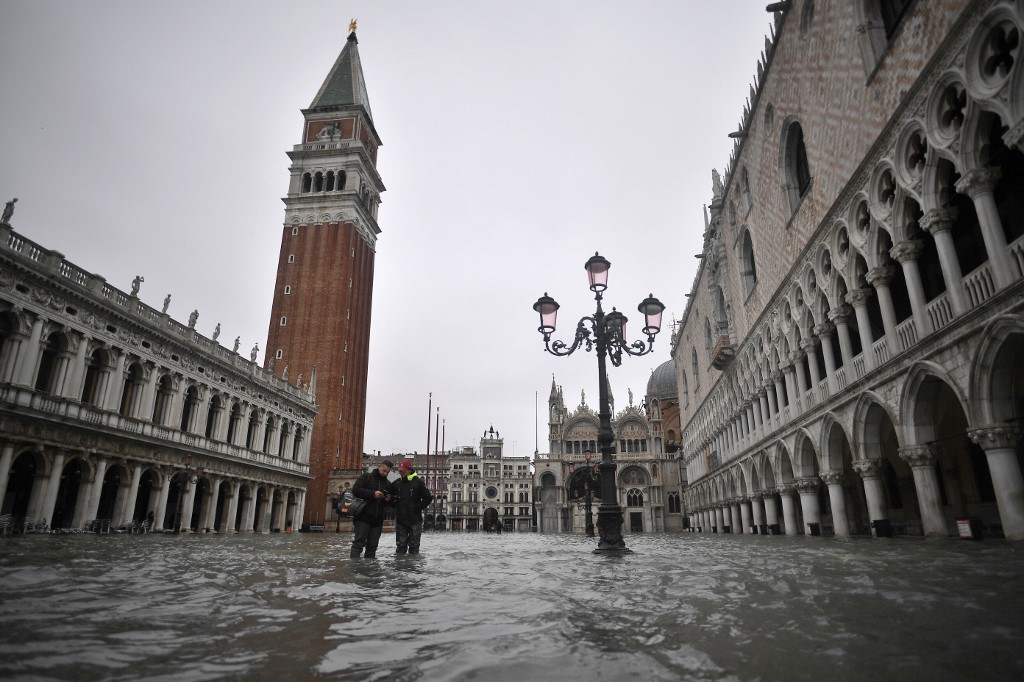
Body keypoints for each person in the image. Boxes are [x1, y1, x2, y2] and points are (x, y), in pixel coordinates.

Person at [350, 460, 396, 558]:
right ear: (379, 466)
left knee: (373, 546)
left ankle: (369, 570)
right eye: (384, 471)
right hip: (363, 516)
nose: (385, 473)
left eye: (387, 472)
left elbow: (389, 504)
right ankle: (354, 569)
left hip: (378, 520)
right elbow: (356, 490)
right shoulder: (366, 477)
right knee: (358, 544)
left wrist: (388, 500)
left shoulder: (388, 484)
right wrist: (373, 494)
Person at [393, 460, 433, 554]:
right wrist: (394, 503)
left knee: (414, 546)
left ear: (409, 470)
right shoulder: (396, 483)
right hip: (401, 519)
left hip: (415, 519)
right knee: (400, 546)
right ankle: (400, 567)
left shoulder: (418, 482)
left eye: (403, 470)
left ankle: (413, 567)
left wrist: (417, 507)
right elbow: (391, 498)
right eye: (400, 470)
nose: (401, 472)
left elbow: (428, 498)